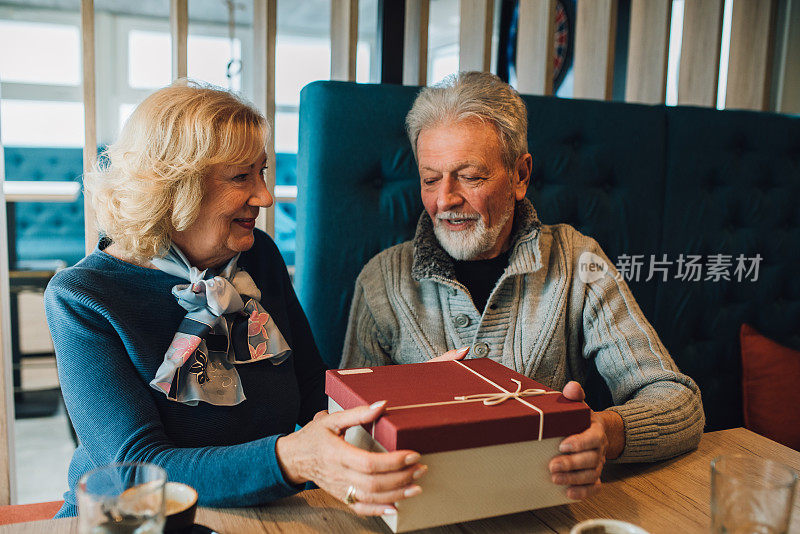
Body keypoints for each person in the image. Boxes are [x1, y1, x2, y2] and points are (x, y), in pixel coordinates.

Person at [45, 81, 436, 518]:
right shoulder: (82, 298)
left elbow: (313, 392)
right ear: (175, 186)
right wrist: (291, 459)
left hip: (259, 512)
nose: (265, 196)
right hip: (132, 522)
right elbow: (136, 473)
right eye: (240, 177)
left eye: (262, 172)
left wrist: (415, 393)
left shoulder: (257, 254)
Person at [341, 72, 705, 500]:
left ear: (520, 175)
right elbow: (344, 434)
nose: (445, 200)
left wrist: (605, 433)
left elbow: (679, 402)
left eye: (470, 176)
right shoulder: (381, 281)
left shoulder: (577, 261)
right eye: (430, 178)